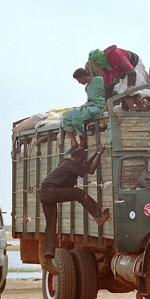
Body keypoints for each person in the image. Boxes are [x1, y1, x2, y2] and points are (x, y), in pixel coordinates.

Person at [39, 147, 109, 275]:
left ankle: (48, 259)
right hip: (50, 191)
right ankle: (98, 216)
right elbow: (91, 169)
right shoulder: (70, 163)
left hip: (45, 193)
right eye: (82, 158)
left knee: (51, 225)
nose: (83, 161)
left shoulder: (69, 163)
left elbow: (87, 165)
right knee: (79, 193)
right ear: (78, 157)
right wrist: (99, 153)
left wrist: (96, 154)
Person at [88, 46, 150, 112]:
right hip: (124, 73)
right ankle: (140, 107)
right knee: (124, 92)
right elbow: (108, 84)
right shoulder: (104, 65)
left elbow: (131, 71)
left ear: (99, 60)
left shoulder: (116, 55)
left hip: (134, 66)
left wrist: (129, 86)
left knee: (126, 91)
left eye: (95, 63)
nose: (95, 65)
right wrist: (107, 104)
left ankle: (133, 112)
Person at [62, 68, 105, 153]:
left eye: (79, 80)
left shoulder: (99, 80)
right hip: (89, 106)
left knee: (77, 118)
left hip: (99, 105)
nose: (79, 82)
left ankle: (82, 141)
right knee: (66, 117)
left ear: (83, 77)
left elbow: (113, 90)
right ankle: (74, 143)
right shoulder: (87, 87)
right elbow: (90, 99)